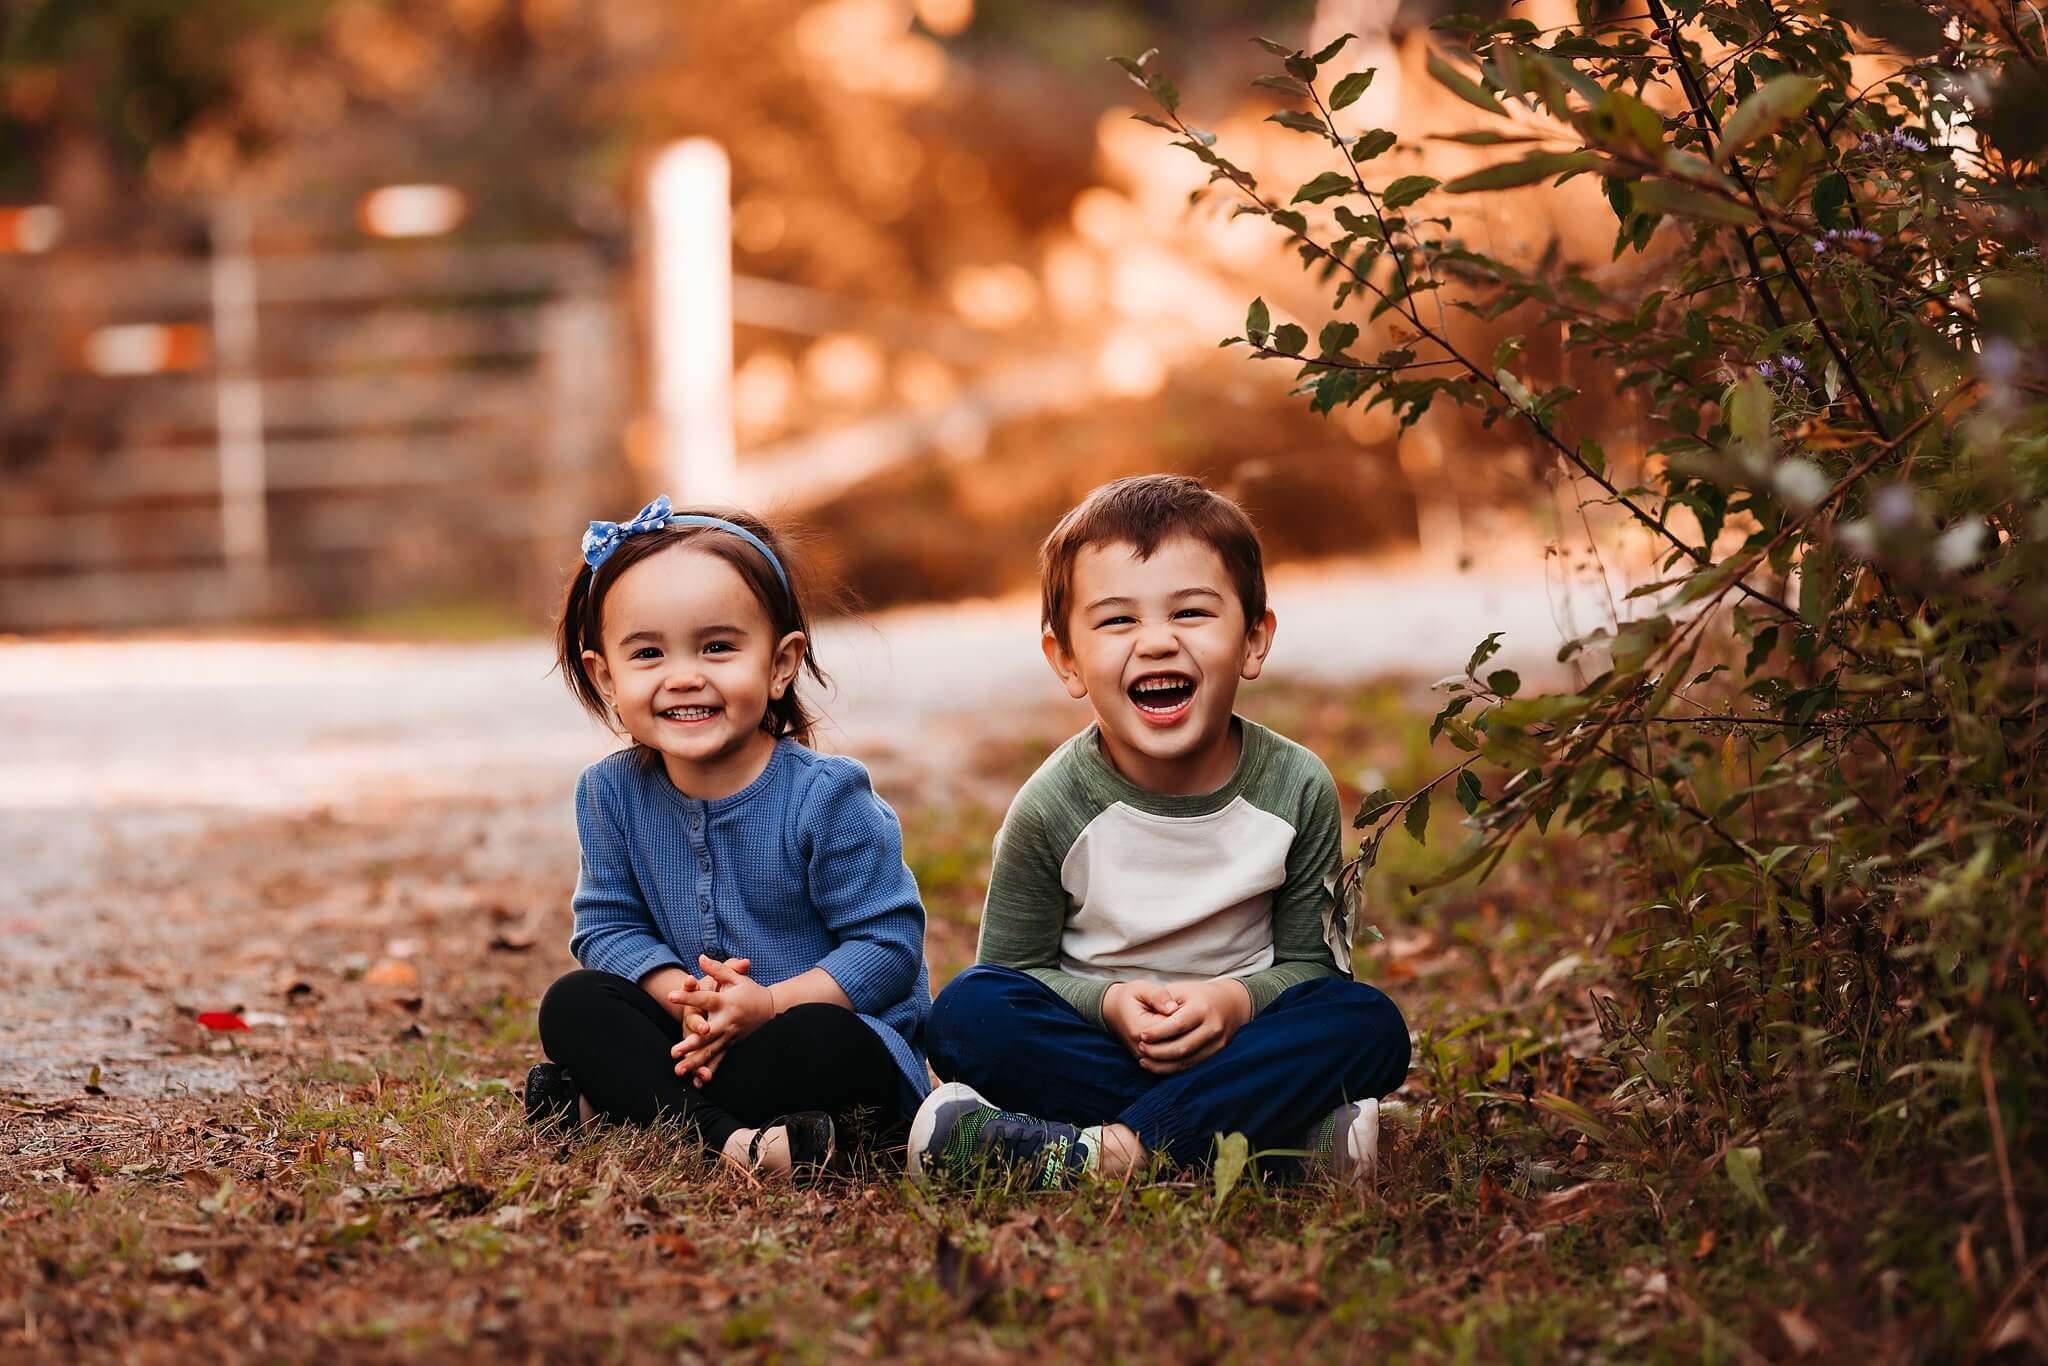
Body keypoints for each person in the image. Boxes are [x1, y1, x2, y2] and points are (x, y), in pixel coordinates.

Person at [910, 474, 1409, 1192]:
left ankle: (1097, 1155)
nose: (1157, 642)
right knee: (966, 1013)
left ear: (1253, 641)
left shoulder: (1295, 787)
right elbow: (1013, 977)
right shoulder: (1053, 804)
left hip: (1243, 1048)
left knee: (1365, 1024)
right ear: (1067, 660)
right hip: (1099, 1049)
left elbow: (1312, 967)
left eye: (1193, 613)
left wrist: (1233, 1003)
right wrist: (1110, 1006)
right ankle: (1279, 1146)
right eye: (1117, 621)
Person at [524, 495, 931, 1180]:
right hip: (693, 1030)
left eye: (718, 647)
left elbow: (887, 950)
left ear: (780, 664)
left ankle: (627, 1103)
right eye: (648, 653)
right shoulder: (610, 793)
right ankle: (737, 1142)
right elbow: (608, 926)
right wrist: (685, 997)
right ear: (606, 677)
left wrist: (765, 1004)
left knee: (827, 1045)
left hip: (807, 1029)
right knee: (575, 1003)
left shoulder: (827, 796)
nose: (684, 675)